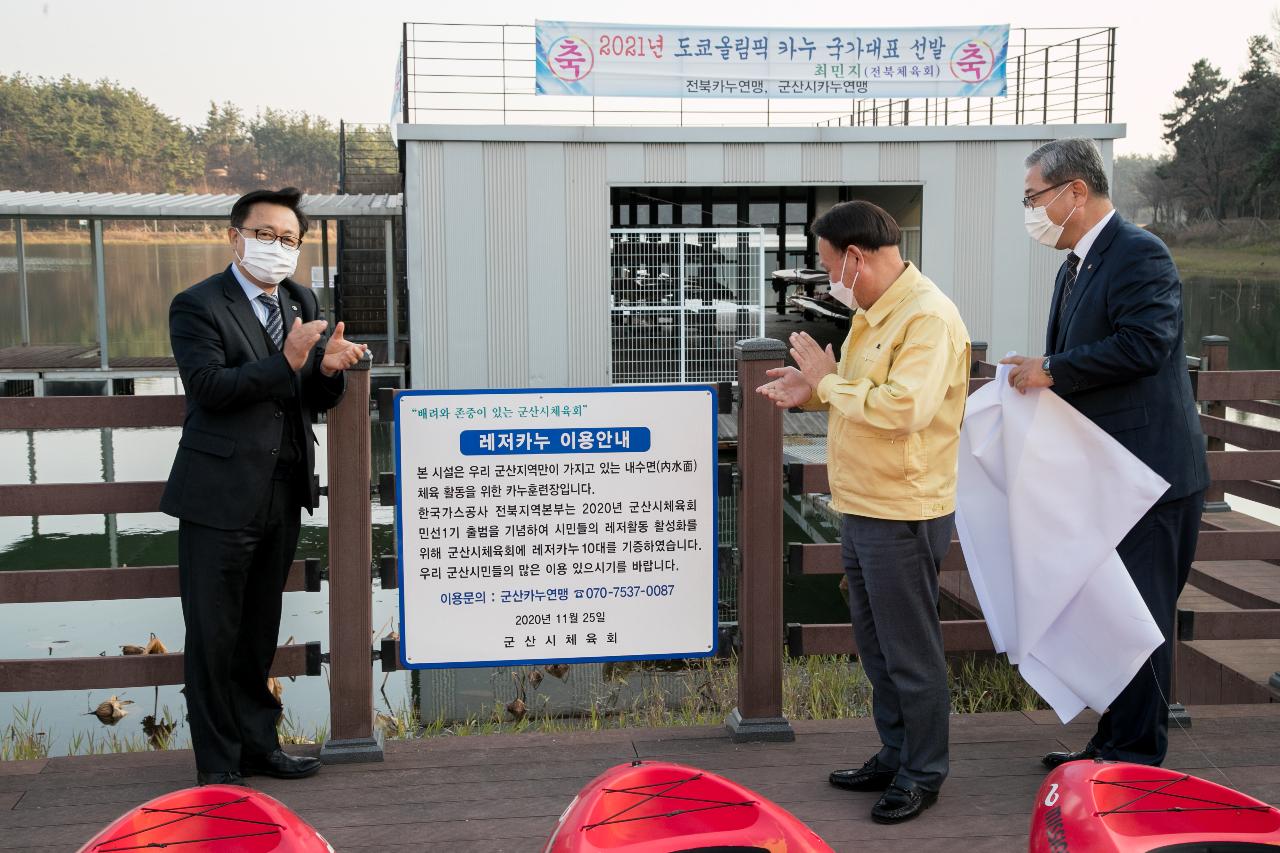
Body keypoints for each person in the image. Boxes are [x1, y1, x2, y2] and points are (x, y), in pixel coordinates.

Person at [757, 201, 970, 824]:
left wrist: (826, 385)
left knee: (909, 647)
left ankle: (923, 771)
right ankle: (896, 751)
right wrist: (814, 390)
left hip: (904, 505)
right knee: (877, 644)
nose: (827, 279)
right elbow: (859, 395)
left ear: (855, 256)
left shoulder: (927, 316)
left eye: (828, 264)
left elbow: (904, 407)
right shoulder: (871, 313)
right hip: (862, 502)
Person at [1002, 138, 1209, 768]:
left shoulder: (1139, 253)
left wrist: (1054, 369)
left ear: (1075, 192)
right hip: (1105, 474)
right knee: (1109, 614)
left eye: (1034, 196)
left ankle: (1137, 758)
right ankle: (1111, 742)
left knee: (1140, 619)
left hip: (1150, 475)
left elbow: (1146, 345)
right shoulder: (1075, 266)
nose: (1030, 210)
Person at [161, 187, 367, 786]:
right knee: (212, 637)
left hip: (281, 491)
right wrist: (287, 359)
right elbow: (209, 387)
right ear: (236, 237)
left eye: (289, 240)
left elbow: (305, 399)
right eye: (267, 235)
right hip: (218, 495)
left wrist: (325, 371)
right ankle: (220, 768)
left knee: (257, 633)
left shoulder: (300, 299)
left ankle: (259, 746)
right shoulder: (196, 305)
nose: (278, 248)